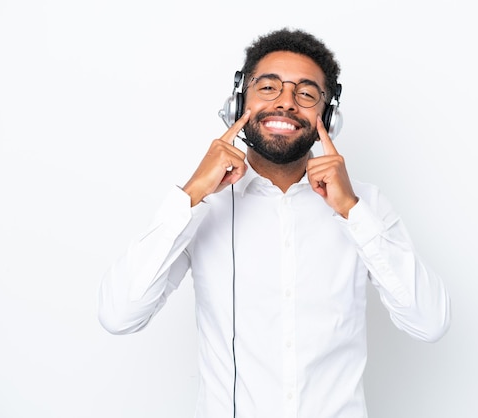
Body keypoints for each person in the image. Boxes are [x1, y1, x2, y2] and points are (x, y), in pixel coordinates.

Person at [98, 27, 451, 418]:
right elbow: (119, 315)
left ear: (328, 115)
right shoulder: (203, 207)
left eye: (305, 93)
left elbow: (430, 322)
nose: (285, 103)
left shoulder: (365, 205)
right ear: (237, 104)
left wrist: (352, 210)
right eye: (268, 88)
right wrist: (192, 193)